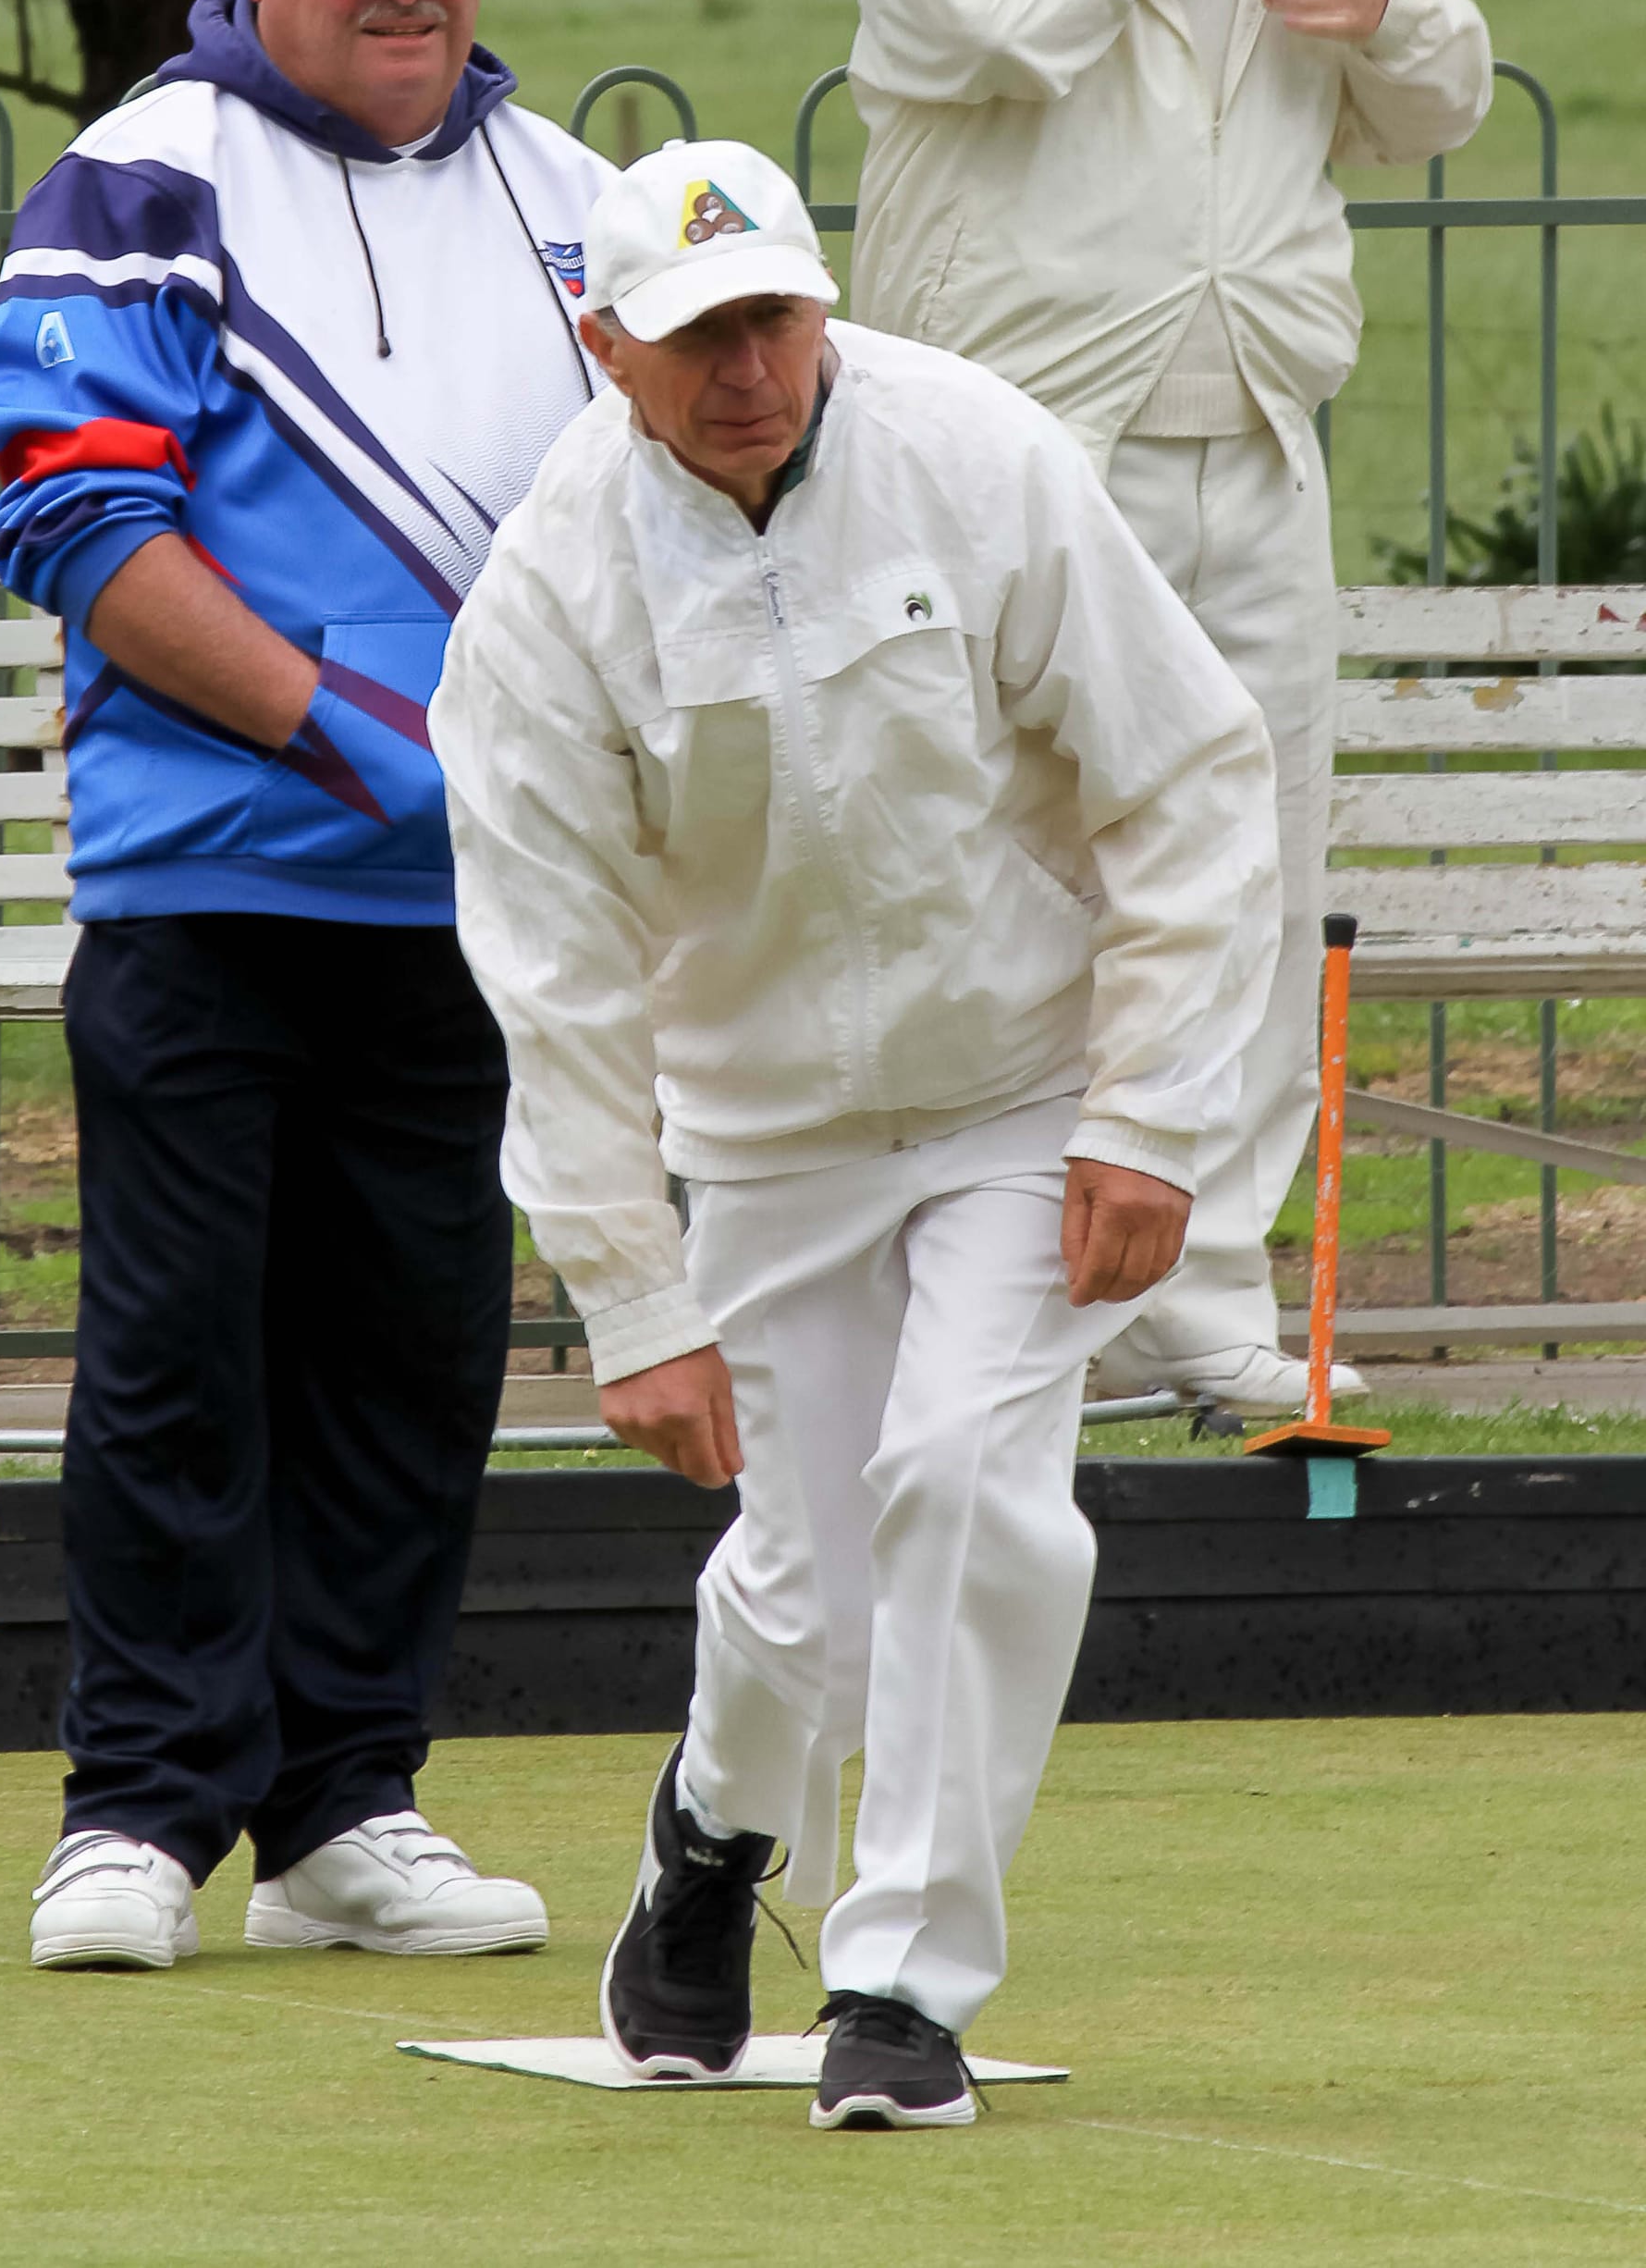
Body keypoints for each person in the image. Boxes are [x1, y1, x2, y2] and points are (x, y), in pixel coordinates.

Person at [428, 140, 1280, 2128]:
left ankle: (897, 1982)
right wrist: (626, 1297)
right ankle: (715, 1834)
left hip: (1023, 1089)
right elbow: (548, 976)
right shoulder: (549, 590)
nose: (747, 366)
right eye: (694, 333)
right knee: (800, 1577)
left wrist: (1152, 1116)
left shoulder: (975, 453)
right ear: (603, 347)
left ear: (822, 301)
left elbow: (1189, 776)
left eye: (773, 316)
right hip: (760, 1125)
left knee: (971, 1490)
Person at [0, 0, 613, 1972]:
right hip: (207, 883)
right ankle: (135, 1807)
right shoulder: (143, 170)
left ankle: (347, 1801)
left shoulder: (580, 200)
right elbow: (76, 524)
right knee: (176, 1354)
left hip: (476, 906)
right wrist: (363, 745)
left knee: (413, 1361)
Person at [847, 0, 1493, 1416]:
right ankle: (996, 1282)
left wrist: (1388, 14)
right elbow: (998, 19)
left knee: (1252, 874)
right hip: (1027, 450)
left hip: (1261, 436)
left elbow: (1446, 93)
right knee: (1023, 876)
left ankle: (1194, 1300)